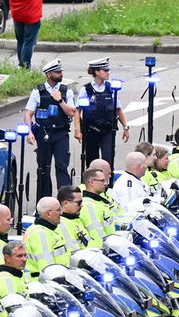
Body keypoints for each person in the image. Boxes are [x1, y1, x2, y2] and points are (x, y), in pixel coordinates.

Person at [23, 60, 76, 198]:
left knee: (61, 166)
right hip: (43, 133)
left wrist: (60, 100)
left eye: (61, 72)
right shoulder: (38, 91)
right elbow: (28, 113)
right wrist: (29, 132)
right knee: (43, 168)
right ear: (49, 74)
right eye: (58, 72)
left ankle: (65, 200)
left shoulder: (65, 90)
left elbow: (72, 112)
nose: (61, 74)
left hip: (61, 133)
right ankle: (44, 202)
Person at [75, 59, 128, 170]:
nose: (108, 73)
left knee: (108, 160)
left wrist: (125, 127)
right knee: (92, 161)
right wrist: (77, 130)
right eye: (105, 70)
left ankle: (108, 185)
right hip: (91, 130)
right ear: (97, 72)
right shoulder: (86, 89)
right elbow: (78, 111)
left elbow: (118, 109)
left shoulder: (111, 88)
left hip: (108, 130)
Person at [9, 0, 44, 69]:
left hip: (17, 14)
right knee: (29, 42)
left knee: (21, 41)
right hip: (32, 16)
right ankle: (25, 66)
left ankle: (21, 64)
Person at [23, 196, 68, 275]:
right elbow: (47, 269)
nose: (61, 213)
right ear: (48, 214)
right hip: (44, 284)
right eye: (58, 210)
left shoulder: (48, 230)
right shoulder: (40, 235)